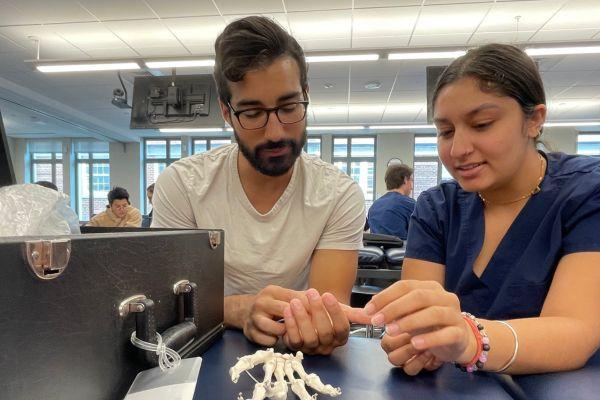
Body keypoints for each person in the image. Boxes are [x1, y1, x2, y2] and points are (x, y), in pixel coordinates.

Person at [352, 43, 600, 375]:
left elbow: (575, 330)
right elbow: (419, 326)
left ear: (534, 120)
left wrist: (470, 339)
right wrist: (413, 341)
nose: (459, 149)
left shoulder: (585, 193)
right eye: (445, 131)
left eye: (482, 124)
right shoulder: (437, 208)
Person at [152, 16, 365, 354]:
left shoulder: (339, 194)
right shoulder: (183, 185)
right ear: (226, 111)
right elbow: (169, 305)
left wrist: (323, 325)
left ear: (306, 96)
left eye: (289, 107)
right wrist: (240, 309)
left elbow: (326, 314)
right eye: (252, 114)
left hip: (299, 360)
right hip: (201, 352)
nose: (276, 132)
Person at [366, 164, 415, 240]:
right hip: (401, 250)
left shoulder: (374, 205)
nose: (412, 187)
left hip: (377, 250)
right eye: (411, 181)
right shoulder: (410, 204)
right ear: (405, 180)